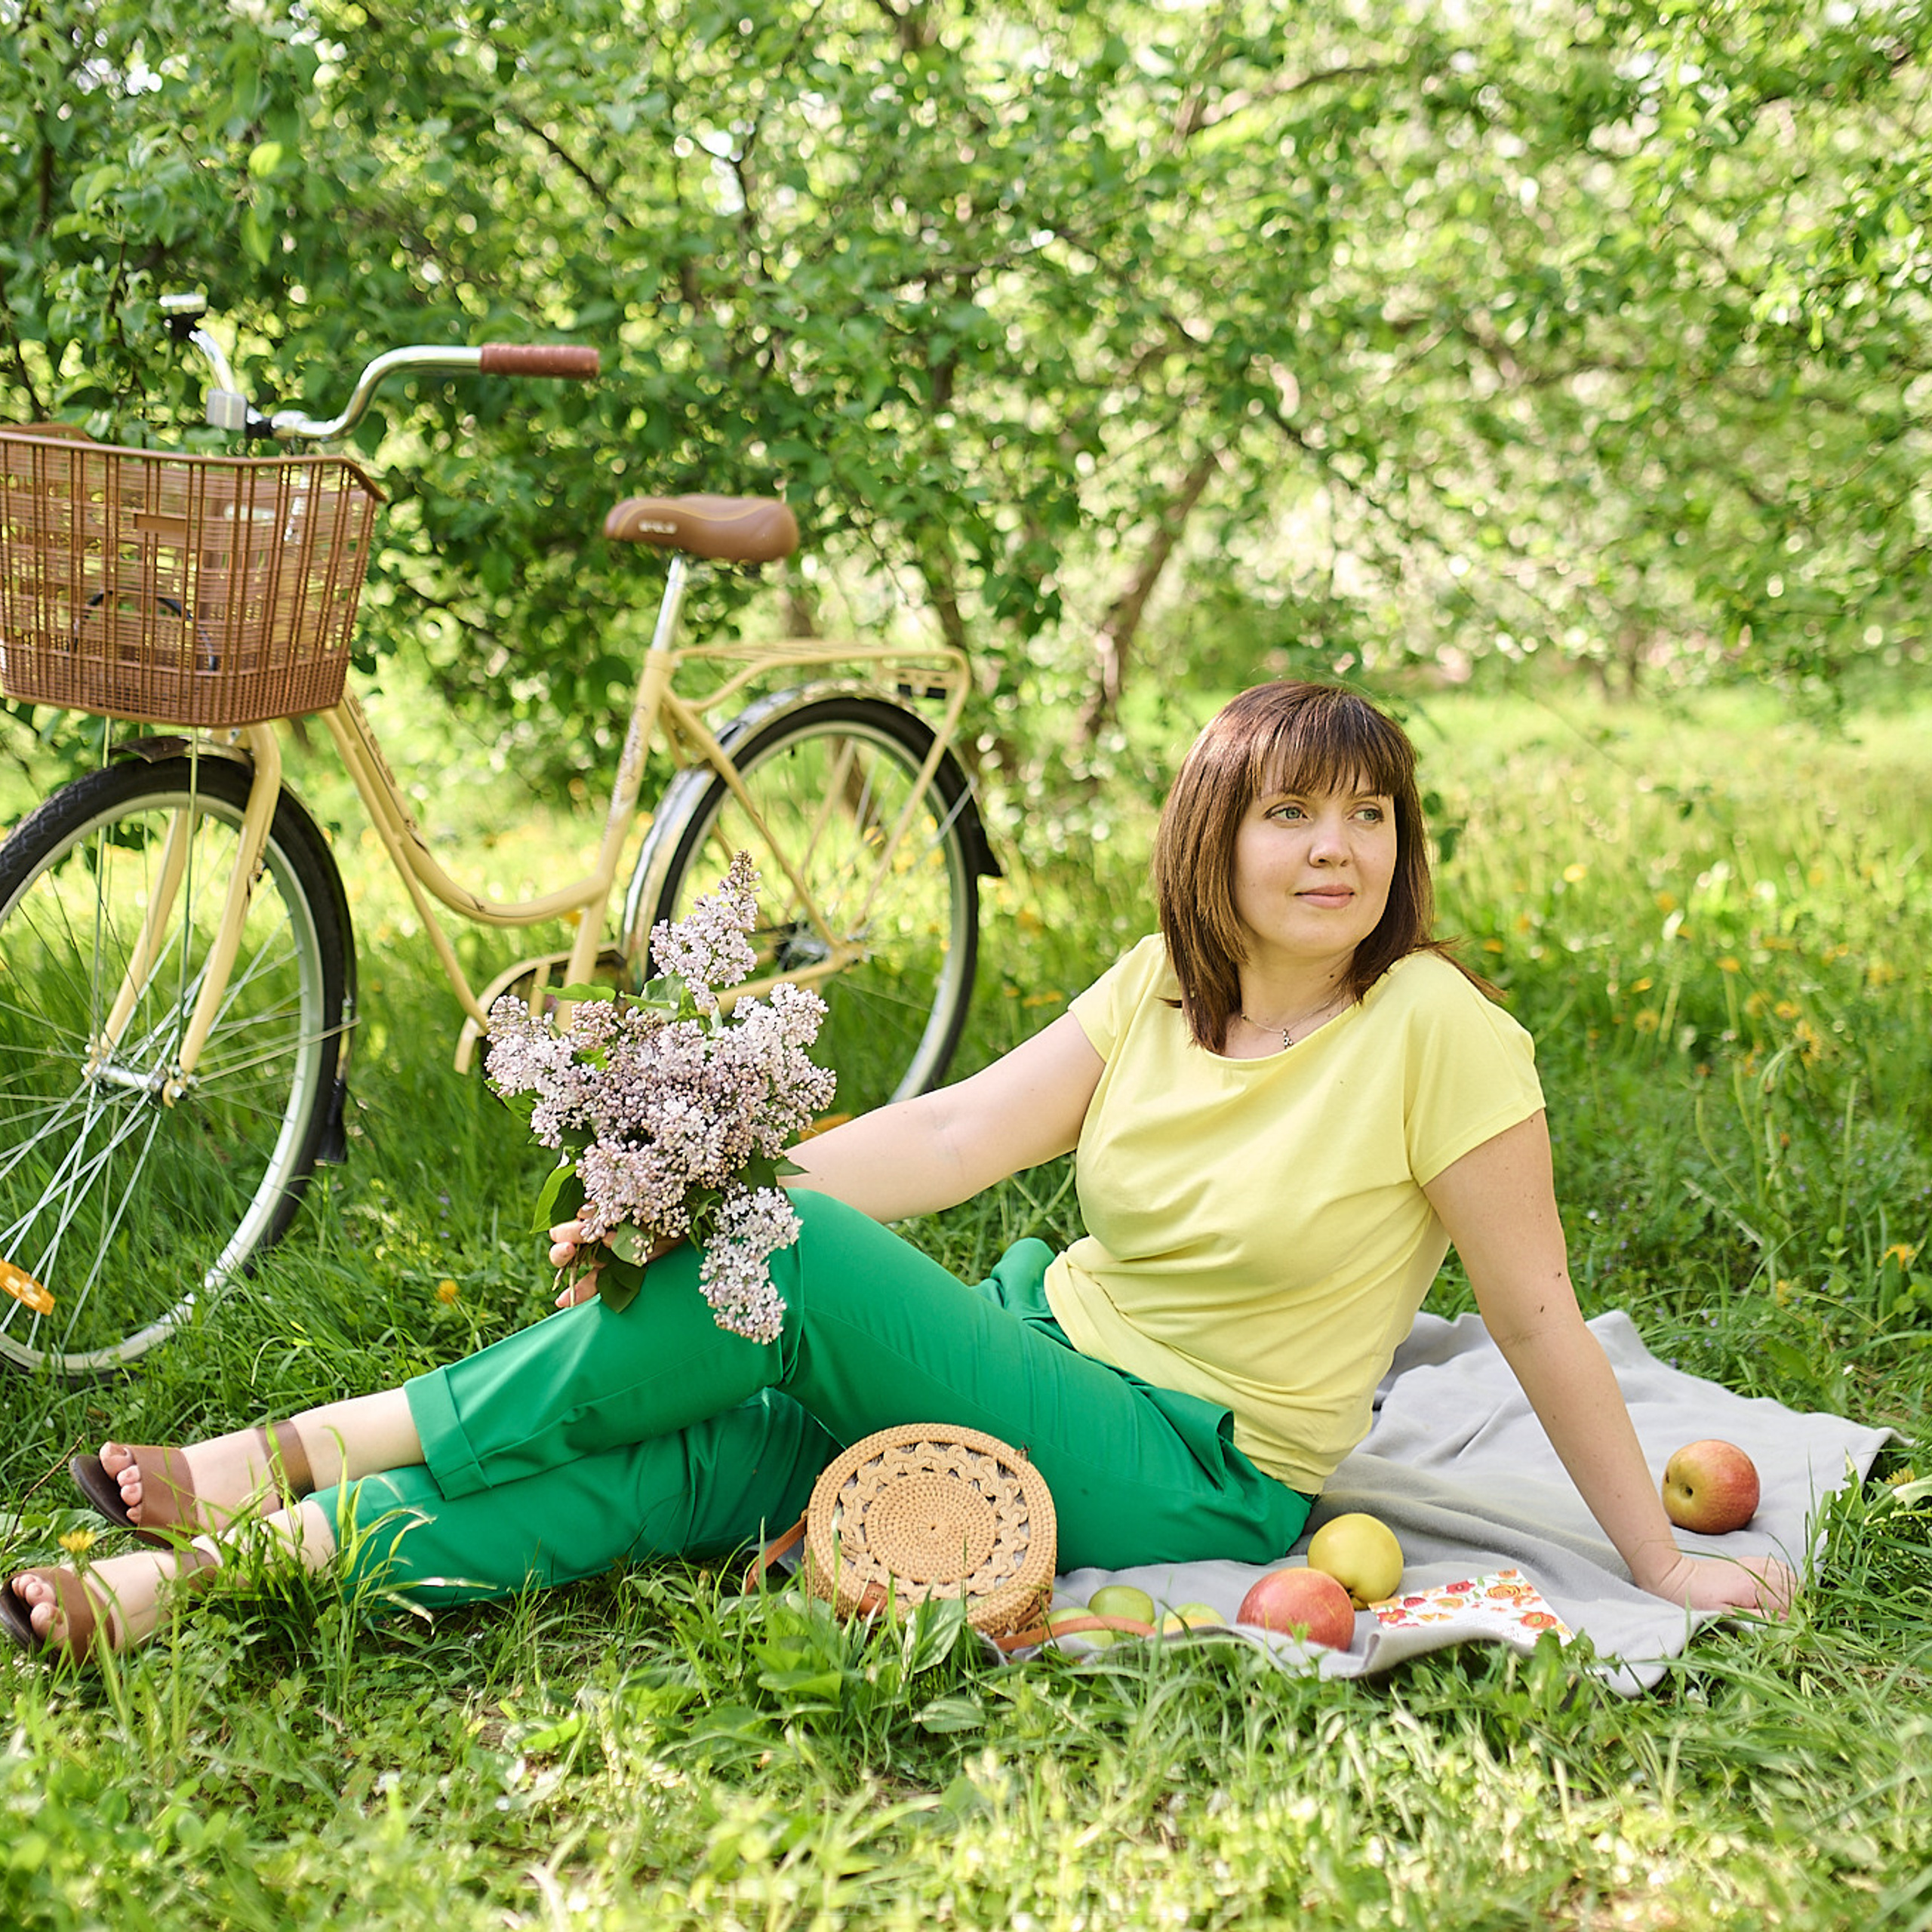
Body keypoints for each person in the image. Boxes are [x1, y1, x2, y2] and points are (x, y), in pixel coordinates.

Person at [4, 681, 1795, 1660]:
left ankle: (297, 1443)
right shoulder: (1158, 991)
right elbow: (943, 1138)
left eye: (1368, 813)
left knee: (774, 1253)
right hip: (1027, 1353)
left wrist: (1650, 1552)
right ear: (1214, 835)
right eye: (1287, 809)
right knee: (687, 1457)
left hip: (1198, 1468)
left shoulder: (1439, 1031)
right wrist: (673, 1205)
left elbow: (1538, 1308)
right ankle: (207, 1579)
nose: (1334, 846)